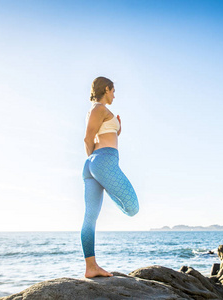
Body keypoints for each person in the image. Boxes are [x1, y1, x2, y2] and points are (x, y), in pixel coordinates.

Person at [82, 76, 139, 278]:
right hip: (102, 161)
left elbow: (103, 134)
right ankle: (91, 266)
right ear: (106, 89)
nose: (114, 95)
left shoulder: (100, 111)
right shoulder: (99, 108)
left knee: (90, 218)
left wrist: (117, 129)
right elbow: (88, 138)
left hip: (95, 165)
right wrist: (97, 163)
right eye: (113, 91)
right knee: (133, 207)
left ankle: (91, 267)